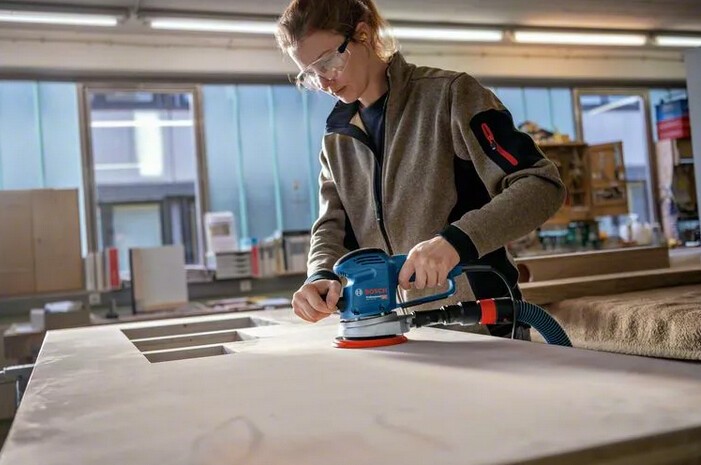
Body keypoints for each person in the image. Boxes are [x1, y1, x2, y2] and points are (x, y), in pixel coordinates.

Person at [275, 0, 566, 339]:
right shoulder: (337, 138)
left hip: (483, 324)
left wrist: (455, 242)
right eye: (311, 74)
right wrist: (319, 274)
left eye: (328, 62)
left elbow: (541, 185)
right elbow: (331, 227)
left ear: (362, 35)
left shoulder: (450, 97)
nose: (325, 82)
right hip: (404, 333)